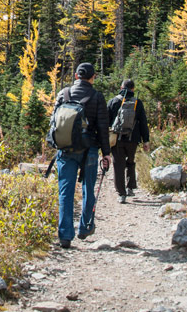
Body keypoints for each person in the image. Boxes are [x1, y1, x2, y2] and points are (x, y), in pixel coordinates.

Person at [52, 62, 112, 248]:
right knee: (88, 188)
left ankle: (65, 235)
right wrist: (107, 153)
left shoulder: (63, 94)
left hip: (66, 149)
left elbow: (54, 121)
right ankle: (85, 227)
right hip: (90, 149)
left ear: (77, 76)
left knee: (65, 192)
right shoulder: (97, 96)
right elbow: (103, 127)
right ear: (93, 77)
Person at [107, 78, 150, 204]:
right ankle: (130, 187)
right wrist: (145, 140)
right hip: (133, 138)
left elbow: (106, 121)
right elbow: (143, 122)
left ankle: (121, 193)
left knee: (118, 165)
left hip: (117, 139)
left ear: (121, 88)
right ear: (133, 89)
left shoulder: (113, 101)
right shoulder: (138, 102)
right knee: (130, 161)